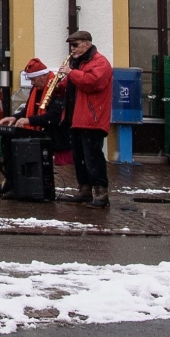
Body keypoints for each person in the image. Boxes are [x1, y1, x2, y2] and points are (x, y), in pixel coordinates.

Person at [63, 31, 113, 207]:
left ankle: (101, 194)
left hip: (92, 118)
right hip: (77, 118)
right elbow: (74, 84)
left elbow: (93, 82)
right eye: (71, 45)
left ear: (87, 44)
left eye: (75, 44)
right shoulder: (78, 63)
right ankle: (84, 190)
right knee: (80, 157)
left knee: (93, 157)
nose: (72, 48)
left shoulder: (100, 62)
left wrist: (71, 73)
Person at [0, 59, 57, 128]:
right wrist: (15, 118)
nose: (32, 83)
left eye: (34, 79)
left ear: (44, 75)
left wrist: (29, 120)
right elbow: (27, 110)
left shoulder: (57, 89)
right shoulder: (35, 89)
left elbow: (54, 116)